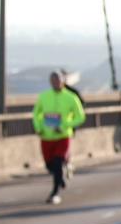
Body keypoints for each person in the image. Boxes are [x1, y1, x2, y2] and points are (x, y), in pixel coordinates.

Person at [32, 72, 86, 205]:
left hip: (63, 135)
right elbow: (36, 114)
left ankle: (55, 193)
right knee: (49, 165)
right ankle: (60, 175)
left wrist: (64, 125)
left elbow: (80, 117)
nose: (55, 83)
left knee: (57, 162)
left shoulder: (71, 97)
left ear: (63, 82)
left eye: (58, 80)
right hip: (47, 136)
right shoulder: (44, 96)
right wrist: (38, 127)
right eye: (53, 81)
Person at [59, 68, 85, 179]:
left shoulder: (72, 93)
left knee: (65, 146)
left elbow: (81, 105)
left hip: (68, 125)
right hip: (55, 126)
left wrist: (73, 118)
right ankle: (64, 165)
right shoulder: (52, 94)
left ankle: (67, 164)